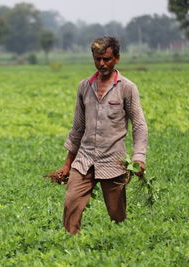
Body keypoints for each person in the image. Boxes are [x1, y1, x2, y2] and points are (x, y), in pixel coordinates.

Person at [58, 36, 148, 235]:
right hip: (85, 159)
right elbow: (77, 128)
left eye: (106, 59)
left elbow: (139, 125)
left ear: (116, 58)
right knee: (71, 201)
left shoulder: (127, 88)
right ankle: (69, 245)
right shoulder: (84, 87)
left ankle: (121, 244)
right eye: (97, 59)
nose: (101, 64)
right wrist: (67, 164)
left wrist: (138, 158)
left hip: (114, 161)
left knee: (117, 214)